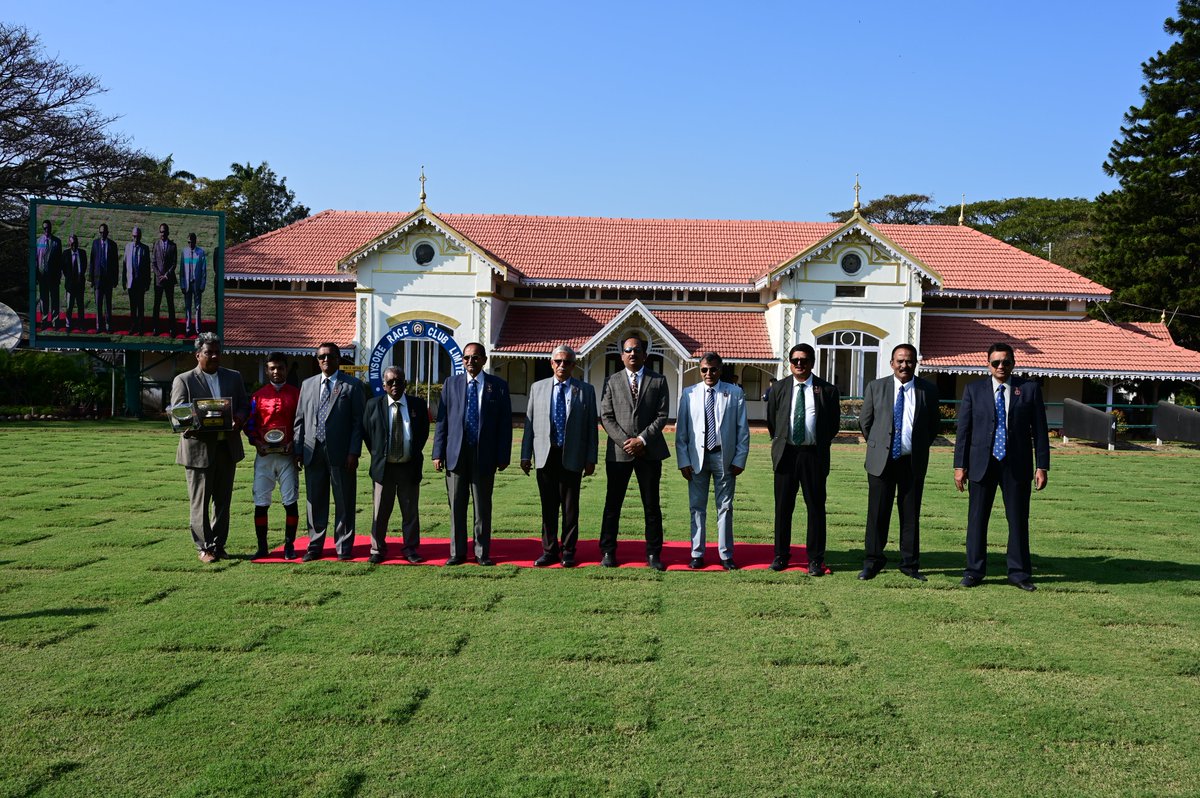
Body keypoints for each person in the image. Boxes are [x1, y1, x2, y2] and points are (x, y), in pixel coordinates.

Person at [954, 342, 1050, 591]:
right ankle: (974, 571)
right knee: (976, 520)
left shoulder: (1028, 390)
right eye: (996, 362)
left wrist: (1042, 466)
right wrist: (959, 465)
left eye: (1006, 362)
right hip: (981, 464)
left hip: (1015, 464)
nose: (1001, 367)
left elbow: (1039, 431)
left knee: (1018, 519)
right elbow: (964, 431)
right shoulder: (973, 390)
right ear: (988, 364)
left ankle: (1018, 573)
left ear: (1013, 363)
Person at [858, 343, 941, 581]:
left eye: (909, 361)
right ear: (892, 363)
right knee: (877, 514)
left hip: (911, 461)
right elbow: (866, 422)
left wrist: (915, 445)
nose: (904, 365)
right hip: (881, 462)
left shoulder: (928, 390)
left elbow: (933, 425)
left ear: (916, 363)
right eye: (900, 361)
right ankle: (873, 561)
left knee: (910, 514)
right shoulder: (876, 387)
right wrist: (879, 446)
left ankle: (909, 564)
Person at [170, 333, 249, 562]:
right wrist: (191, 423)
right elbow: (178, 415)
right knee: (200, 502)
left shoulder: (233, 377)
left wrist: (240, 419)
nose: (214, 356)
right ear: (198, 355)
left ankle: (219, 544)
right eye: (208, 352)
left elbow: (244, 404)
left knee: (223, 502)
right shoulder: (183, 380)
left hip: (227, 447)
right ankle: (204, 548)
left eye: (217, 352)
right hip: (198, 450)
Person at [432, 342, 512, 566]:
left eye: (475, 358)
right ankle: (457, 553)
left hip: (484, 455)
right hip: (456, 454)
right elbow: (442, 422)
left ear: (484, 360)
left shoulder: (498, 386)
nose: (470, 362)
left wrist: (503, 455)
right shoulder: (451, 384)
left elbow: (505, 425)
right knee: (456, 506)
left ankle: (481, 553)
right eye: (466, 358)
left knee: (482, 506)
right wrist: (437, 453)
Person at [766, 343, 842, 574]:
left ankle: (815, 559)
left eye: (804, 360)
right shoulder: (778, 389)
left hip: (813, 456)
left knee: (816, 508)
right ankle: (781, 556)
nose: (799, 364)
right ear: (790, 362)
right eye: (795, 360)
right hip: (786, 454)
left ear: (812, 362)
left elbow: (833, 425)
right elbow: (773, 423)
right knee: (783, 508)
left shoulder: (827, 390)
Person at [520, 345, 599, 568]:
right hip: (545, 455)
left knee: (571, 507)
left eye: (567, 362)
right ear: (551, 363)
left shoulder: (585, 391)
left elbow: (591, 427)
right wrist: (526, 454)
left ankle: (569, 551)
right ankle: (549, 550)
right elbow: (529, 425)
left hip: (572, 456)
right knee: (548, 506)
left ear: (574, 365)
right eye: (558, 361)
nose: (562, 365)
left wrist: (591, 457)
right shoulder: (538, 388)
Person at [599, 335, 670, 570]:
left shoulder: (658, 381)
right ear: (621, 356)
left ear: (644, 355)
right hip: (619, 453)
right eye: (627, 350)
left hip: (649, 452)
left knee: (651, 505)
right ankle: (608, 551)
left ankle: (653, 554)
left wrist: (641, 440)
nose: (632, 353)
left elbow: (662, 416)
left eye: (636, 350)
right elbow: (606, 416)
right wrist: (625, 442)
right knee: (613, 505)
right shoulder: (612, 381)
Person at [675, 352, 750, 570]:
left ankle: (726, 555)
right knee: (696, 507)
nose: (709, 373)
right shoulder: (689, 394)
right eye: (705, 370)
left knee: (725, 507)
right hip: (696, 458)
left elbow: (742, 430)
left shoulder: (734, 393)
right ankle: (697, 553)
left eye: (714, 369)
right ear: (700, 370)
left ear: (721, 369)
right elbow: (682, 433)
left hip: (724, 457)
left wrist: (740, 458)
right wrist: (683, 460)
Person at [294, 342, 366, 561]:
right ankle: (315, 546)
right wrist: (298, 450)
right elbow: (300, 420)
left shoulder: (352, 385)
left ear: (338, 358)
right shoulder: (307, 385)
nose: (325, 360)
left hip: (342, 454)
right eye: (321, 357)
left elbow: (358, 423)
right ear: (317, 360)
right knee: (315, 500)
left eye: (329, 356)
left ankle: (344, 546)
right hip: (312, 451)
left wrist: (354, 451)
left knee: (344, 499)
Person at [362, 366, 430, 564]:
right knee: (380, 511)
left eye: (398, 381)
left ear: (405, 384)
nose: (394, 385)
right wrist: (379, 455)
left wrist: (411, 452)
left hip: (409, 466)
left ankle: (410, 549)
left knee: (410, 511)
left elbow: (423, 434)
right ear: (383, 385)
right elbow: (367, 434)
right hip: (384, 467)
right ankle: (377, 549)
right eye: (390, 382)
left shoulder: (417, 405)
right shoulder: (373, 405)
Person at [245, 352, 301, 560]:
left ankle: (289, 545)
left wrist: (294, 444)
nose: (276, 371)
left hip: (288, 457)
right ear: (267, 370)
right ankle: (262, 547)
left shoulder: (297, 394)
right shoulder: (257, 396)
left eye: (280, 368)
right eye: (272, 368)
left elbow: (301, 423)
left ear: (286, 369)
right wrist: (256, 441)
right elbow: (250, 423)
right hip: (265, 457)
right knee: (261, 501)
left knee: (290, 501)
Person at [89, 223, 119, 333]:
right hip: (97, 279)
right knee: (98, 304)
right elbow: (92, 261)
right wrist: (91, 278)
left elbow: (116, 264)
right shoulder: (95, 243)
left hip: (108, 279)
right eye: (100, 232)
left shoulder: (112, 245)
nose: (102, 234)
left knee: (108, 304)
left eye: (104, 232)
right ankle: (98, 326)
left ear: (107, 232)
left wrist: (115, 279)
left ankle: (108, 325)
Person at [151, 223, 178, 336]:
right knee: (156, 305)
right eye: (161, 231)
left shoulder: (173, 246)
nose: (162, 234)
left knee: (170, 305)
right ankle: (155, 328)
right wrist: (159, 275)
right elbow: (153, 263)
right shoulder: (156, 244)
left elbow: (174, 263)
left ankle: (172, 329)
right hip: (158, 281)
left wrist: (166, 275)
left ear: (168, 232)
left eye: (164, 232)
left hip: (169, 280)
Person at [123, 226, 151, 335]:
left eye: (138, 236)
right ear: (132, 236)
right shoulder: (128, 247)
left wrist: (147, 282)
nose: (136, 238)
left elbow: (147, 267)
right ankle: (133, 326)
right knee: (132, 306)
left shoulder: (145, 248)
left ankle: (141, 327)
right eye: (134, 236)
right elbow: (125, 265)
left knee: (141, 306)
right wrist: (123, 280)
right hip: (131, 281)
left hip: (140, 282)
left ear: (140, 236)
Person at [35, 219, 63, 329]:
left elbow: (59, 260)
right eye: (44, 228)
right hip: (42, 275)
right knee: (43, 298)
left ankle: (55, 320)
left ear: (51, 228)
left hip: (54, 276)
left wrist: (59, 274)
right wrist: (36, 274)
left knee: (55, 298)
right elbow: (36, 259)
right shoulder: (38, 241)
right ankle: (44, 320)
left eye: (48, 228)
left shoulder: (57, 242)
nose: (46, 230)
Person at [180, 232, 207, 335]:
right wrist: (182, 284)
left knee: (197, 307)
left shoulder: (201, 253)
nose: (190, 244)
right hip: (187, 284)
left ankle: (198, 329)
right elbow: (182, 270)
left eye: (192, 242)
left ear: (195, 241)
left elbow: (204, 270)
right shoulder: (184, 252)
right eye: (188, 242)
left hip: (197, 283)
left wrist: (202, 284)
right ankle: (187, 329)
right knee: (187, 307)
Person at [62, 234, 87, 332]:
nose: (74, 245)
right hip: (70, 285)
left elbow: (84, 267)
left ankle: (81, 324)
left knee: (80, 306)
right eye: (72, 243)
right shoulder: (65, 254)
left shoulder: (83, 253)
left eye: (75, 243)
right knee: (69, 306)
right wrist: (69, 278)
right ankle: (68, 325)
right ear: (69, 243)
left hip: (80, 284)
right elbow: (63, 268)